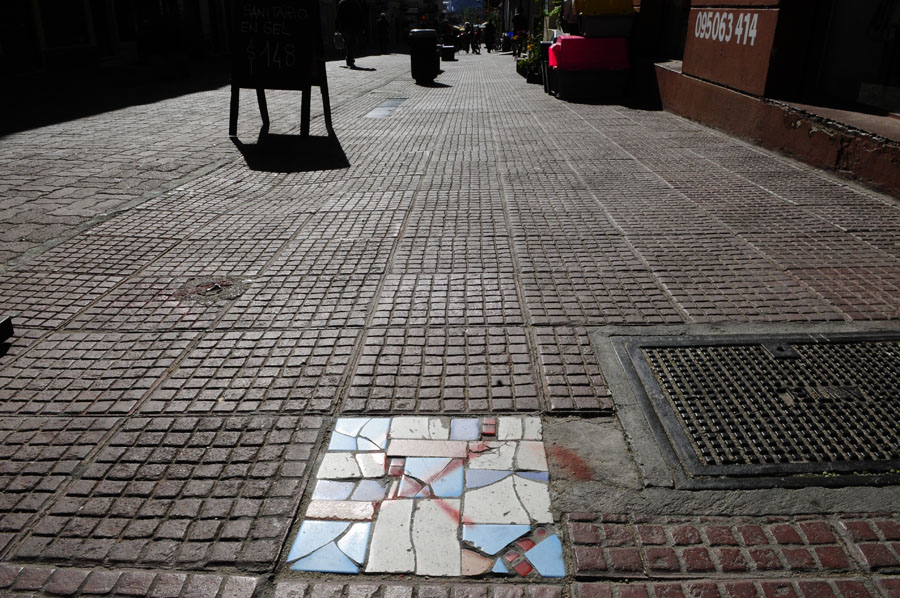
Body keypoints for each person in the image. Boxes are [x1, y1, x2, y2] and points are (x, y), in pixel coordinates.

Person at [336, 0, 365, 68]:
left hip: (345, 27)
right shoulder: (355, 3)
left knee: (347, 43)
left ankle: (349, 58)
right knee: (351, 44)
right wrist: (362, 27)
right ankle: (350, 59)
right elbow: (360, 16)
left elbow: (338, 16)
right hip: (353, 27)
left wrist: (337, 27)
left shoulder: (342, 3)